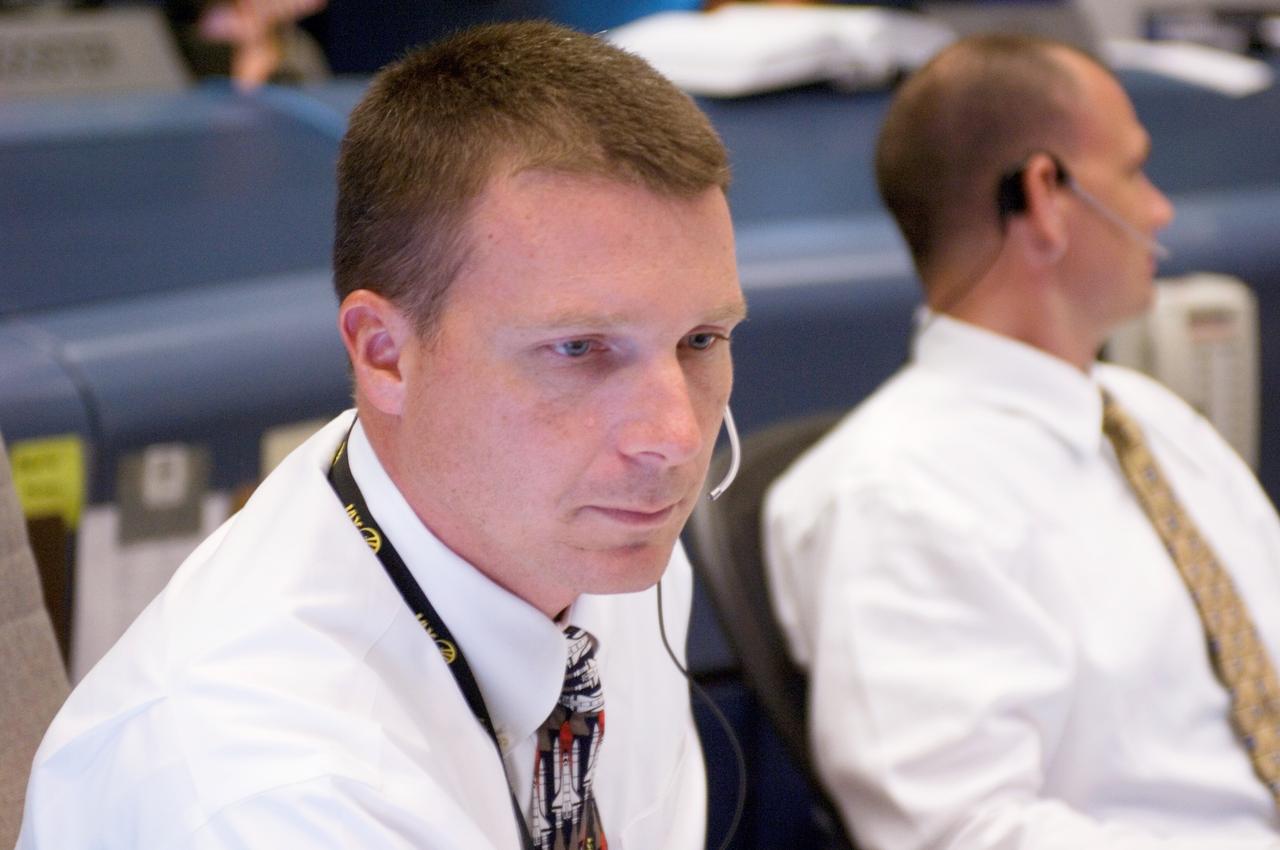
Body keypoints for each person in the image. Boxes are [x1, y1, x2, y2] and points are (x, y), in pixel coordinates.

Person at [18, 21, 745, 849]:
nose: (676, 439)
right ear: (385, 356)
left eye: (701, 341)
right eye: (578, 349)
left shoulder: (603, 546)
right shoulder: (267, 795)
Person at [765, 33, 1280, 850]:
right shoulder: (895, 496)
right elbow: (965, 831)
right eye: (1135, 170)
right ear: (1046, 194)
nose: (1159, 209)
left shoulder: (1150, 419)